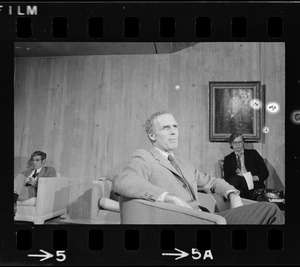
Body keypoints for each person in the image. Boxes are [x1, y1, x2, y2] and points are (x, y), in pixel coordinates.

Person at [113, 111, 284, 224]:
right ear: (152, 135)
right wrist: (169, 197)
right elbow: (124, 181)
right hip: (186, 221)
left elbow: (214, 181)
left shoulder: (184, 164)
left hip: (207, 217)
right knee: (271, 210)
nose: (174, 132)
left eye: (175, 126)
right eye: (166, 128)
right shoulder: (145, 157)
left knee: (267, 213)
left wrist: (232, 193)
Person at [223, 133, 269, 199]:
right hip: (237, 185)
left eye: (239, 142)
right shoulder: (228, 159)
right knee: (235, 180)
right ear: (231, 144)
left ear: (243, 142)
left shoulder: (253, 154)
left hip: (252, 183)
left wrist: (255, 177)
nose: (237, 145)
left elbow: (265, 172)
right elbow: (227, 178)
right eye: (235, 142)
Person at [14, 151, 57, 215]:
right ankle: (14, 200)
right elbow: (16, 179)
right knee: (20, 176)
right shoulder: (28, 171)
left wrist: (36, 183)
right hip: (20, 190)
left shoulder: (49, 170)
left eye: (37, 160)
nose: (34, 162)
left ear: (43, 161)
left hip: (34, 191)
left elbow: (51, 185)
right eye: (33, 160)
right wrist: (24, 180)